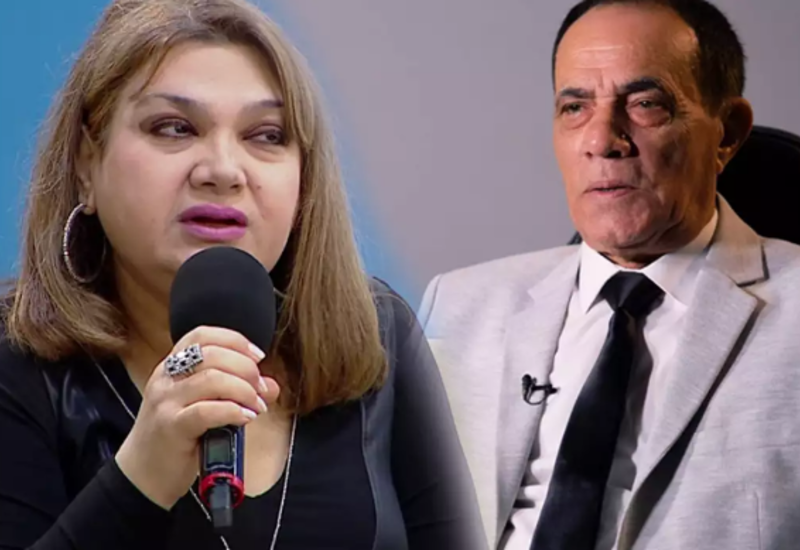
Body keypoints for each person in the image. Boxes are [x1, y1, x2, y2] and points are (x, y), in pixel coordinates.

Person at [0, 0, 485, 548]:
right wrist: (140, 477)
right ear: (87, 163)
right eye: (174, 128)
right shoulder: (16, 359)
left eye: (266, 135)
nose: (224, 171)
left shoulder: (379, 332)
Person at [421, 0, 800, 549]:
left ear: (727, 134)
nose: (602, 141)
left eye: (646, 104)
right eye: (575, 108)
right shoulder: (459, 305)